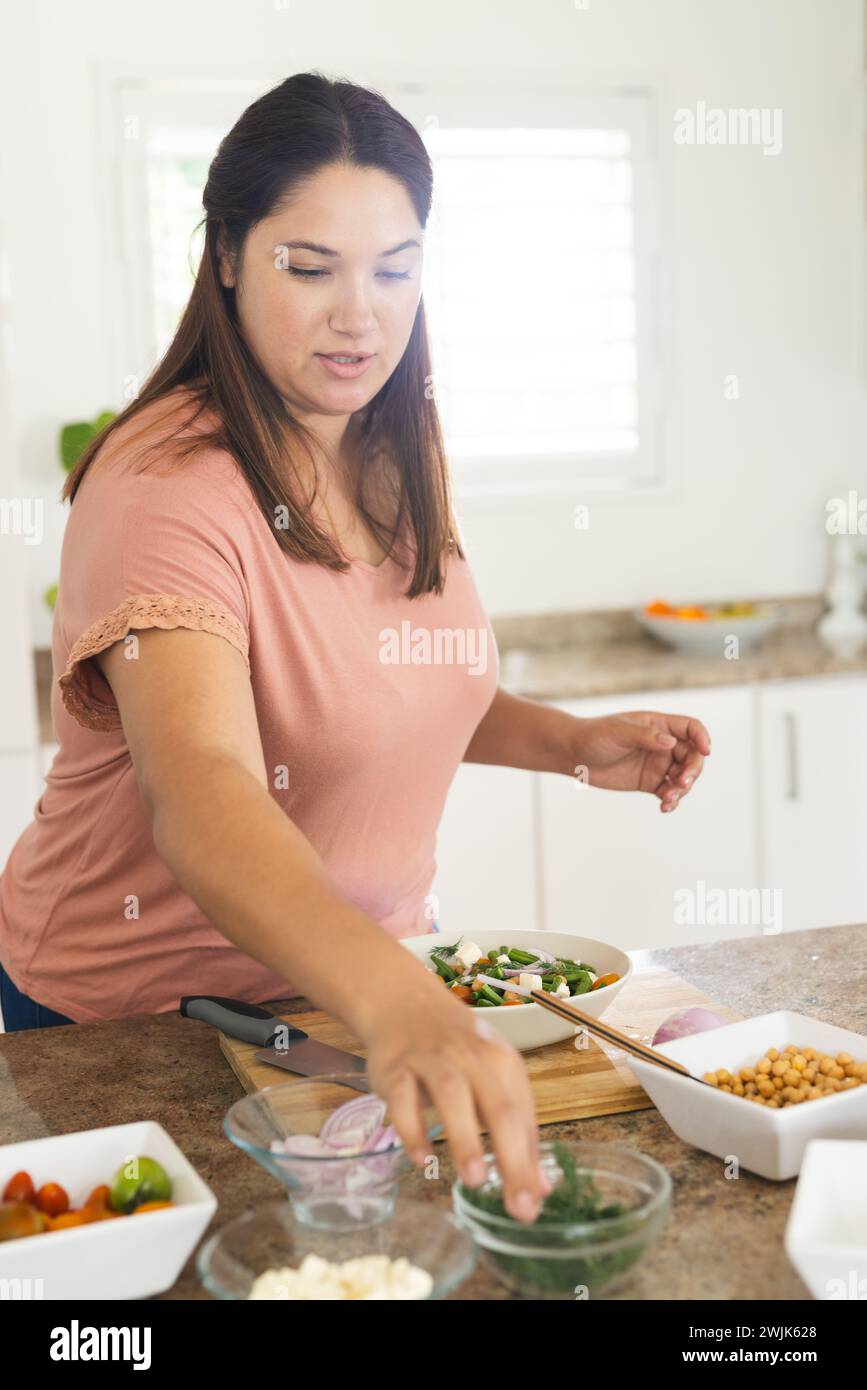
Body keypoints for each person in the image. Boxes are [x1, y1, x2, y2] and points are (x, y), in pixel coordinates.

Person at [0, 72, 709, 1222]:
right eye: (310, 266)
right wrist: (403, 1003)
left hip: (339, 1011)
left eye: (395, 268)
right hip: (134, 1028)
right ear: (227, 255)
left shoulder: (397, 438)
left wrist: (574, 743)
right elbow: (206, 790)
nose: (361, 314)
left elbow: (399, 686)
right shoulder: (161, 487)